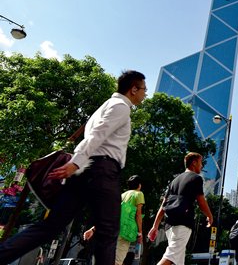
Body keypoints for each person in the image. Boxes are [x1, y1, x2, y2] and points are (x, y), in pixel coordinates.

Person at [0, 70, 147, 265]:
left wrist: (77, 164)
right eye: (144, 89)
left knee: (51, 226)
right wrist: (75, 162)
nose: (145, 94)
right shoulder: (121, 107)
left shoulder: (106, 105)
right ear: (133, 89)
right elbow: (97, 135)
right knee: (109, 232)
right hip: (102, 172)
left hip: (84, 171)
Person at [148, 152, 214, 265]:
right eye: (200, 163)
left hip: (169, 225)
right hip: (183, 223)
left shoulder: (174, 181)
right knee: (171, 256)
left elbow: (163, 205)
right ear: (194, 163)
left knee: (177, 260)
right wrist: (209, 215)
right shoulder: (196, 178)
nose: (202, 166)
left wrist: (155, 226)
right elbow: (201, 201)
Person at [84, 175, 145, 265]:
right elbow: (138, 215)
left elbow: (110, 213)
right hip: (125, 232)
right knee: (117, 261)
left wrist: (93, 229)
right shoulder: (139, 194)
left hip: (113, 229)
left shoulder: (122, 195)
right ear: (139, 185)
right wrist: (140, 233)